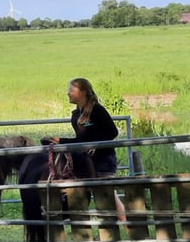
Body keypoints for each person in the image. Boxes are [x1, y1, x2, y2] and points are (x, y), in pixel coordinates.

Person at [41, 77, 126, 220]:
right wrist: (60, 141)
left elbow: (112, 132)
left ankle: (127, 228)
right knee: (97, 196)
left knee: (108, 198)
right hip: (87, 160)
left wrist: (96, 145)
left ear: (83, 92)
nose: (68, 93)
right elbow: (81, 141)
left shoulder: (98, 110)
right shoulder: (76, 115)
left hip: (103, 160)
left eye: (71, 90)